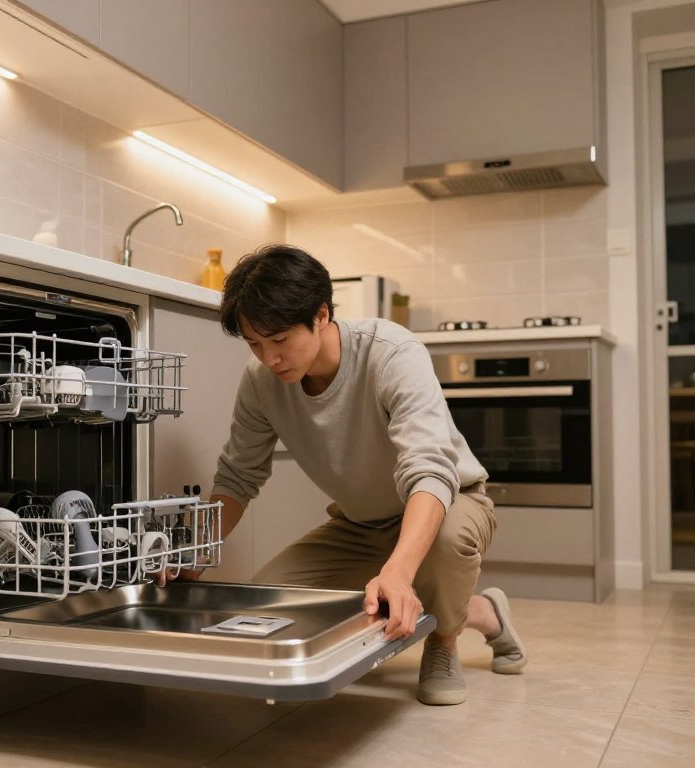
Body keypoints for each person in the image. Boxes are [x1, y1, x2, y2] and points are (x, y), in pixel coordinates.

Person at [174, 243, 527, 706]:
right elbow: (238, 477)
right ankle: (479, 609)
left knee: (442, 547)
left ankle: (443, 642)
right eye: (255, 344)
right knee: (268, 604)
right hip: (358, 524)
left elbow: (429, 471)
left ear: (321, 315)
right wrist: (195, 552)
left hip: (449, 503)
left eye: (279, 340)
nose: (270, 358)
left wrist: (398, 573)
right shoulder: (260, 382)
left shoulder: (392, 353)